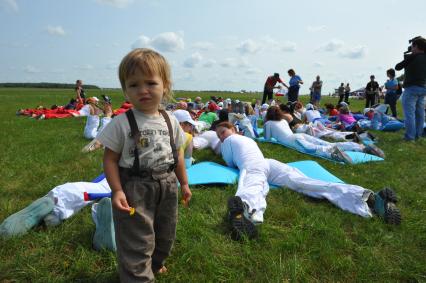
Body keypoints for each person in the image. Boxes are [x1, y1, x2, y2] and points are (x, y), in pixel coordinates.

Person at [97, 48, 192, 282]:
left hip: (167, 185)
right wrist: (117, 190)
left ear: (165, 85)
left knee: (165, 232)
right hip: (135, 187)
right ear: (125, 90)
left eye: (150, 83)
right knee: (136, 238)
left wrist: (184, 182)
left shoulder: (171, 120)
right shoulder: (121, 123)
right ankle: (138, 276)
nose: (143, 90)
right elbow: (109, 159)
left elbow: (177, 154)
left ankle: (156, 263)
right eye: (134, 85)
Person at [215, 122, 401, 240]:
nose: (221, 137)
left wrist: (220, 147)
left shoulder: (229, 142)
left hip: (254, 165)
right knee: (306, 182)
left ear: (232, 129)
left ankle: (245, 211)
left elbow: (230, 162)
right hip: (271, 163)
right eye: (219, 136)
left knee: (253, 185)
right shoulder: (246, 139)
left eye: (222, 132)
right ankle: (369, 198)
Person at [263, 106, 384, 163]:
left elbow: (267, 138)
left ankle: (333, 154)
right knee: (327, 142)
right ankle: (360, 147)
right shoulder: (283, 120)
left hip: (294, 140)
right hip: (299, 136)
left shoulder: (268, 123)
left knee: (316, 149)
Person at [395, 36, 426, 141]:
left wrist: (411, 55)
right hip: (423, 87)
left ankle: (409, 137)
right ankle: (418, 135)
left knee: (409, 114)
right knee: (420, 113)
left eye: (412, 46)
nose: (411, 48)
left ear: (416, 46)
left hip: (412, 87)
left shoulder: (413, 56)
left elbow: (398, 67)